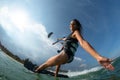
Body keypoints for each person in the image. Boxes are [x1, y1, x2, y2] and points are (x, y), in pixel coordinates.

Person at [35, 19, 114, 77]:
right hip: (68, 57)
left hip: (66, 55)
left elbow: (82, 42)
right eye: (70, 24)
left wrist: (98, 57)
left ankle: (36, 71)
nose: (71, 26)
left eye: (73, 24)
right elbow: (63, 39)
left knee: (45, 64)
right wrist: (58, 40)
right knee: (58, 62)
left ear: (77, 26)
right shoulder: (69, 36)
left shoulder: (76, 33)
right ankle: (56, 75)